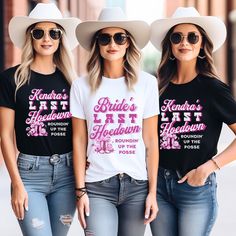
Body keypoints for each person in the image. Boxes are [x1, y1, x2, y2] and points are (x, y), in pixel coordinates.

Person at [70, 7, 159, 236]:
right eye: (105, 38)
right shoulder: (81, 86)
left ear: (128, 43)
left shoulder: (147, 84)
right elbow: (79, 140)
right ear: (97, 44)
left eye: (119, 37)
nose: (113, 44)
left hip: (137, 185)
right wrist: (80, 191)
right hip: (97, 187)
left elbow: (150, 140)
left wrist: (152, 192)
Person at [149, 6, 236, 236]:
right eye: (177, 37)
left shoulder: (213, 89)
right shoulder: (157, 89)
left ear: (201, 45)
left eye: (192, 37)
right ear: (170, 46)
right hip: (158, 185)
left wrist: (210, 167)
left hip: (195, 187)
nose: (184, 42)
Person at [0, 3, 80, 236]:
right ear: (30, 37)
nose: (47, 38)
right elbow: (5, 135)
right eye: (39, 32)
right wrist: (16, 183)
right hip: (29, 174)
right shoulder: (11, 79)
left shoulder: (72, 82)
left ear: (60, 39)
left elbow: (80, 133)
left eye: (54, 33)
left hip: (66, 175)